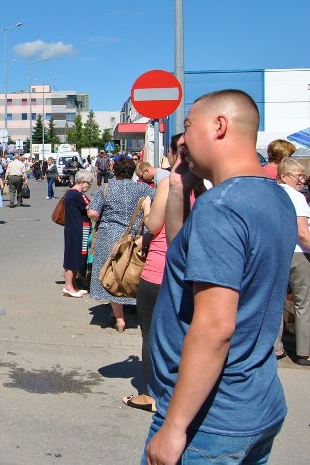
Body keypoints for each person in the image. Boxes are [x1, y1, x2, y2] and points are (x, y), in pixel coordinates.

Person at [144, 90, 295, 464]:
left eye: (189, 128)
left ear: (219, 126)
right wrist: (180, 187)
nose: (182, 143)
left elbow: (215, 326)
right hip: (255, 402)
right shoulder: (274, 197)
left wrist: (175, 426)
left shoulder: (222, 208)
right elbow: (189, 259)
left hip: (209, 420)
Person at [123, 134, 182, 414]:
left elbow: (155, 224)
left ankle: (149, 393)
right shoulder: (210, 185)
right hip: (188, 271)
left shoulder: (170, 183)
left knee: (151, 333)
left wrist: (147, 210)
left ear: (171, 155)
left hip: (159, 268)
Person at [87, 156, 154, 332]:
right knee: (132, 271)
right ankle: (135, 308)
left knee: (112, 273)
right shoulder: (143, 188)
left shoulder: (106, 188)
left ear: (114, 171)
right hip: (135, 237)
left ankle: (119, 317)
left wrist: (104, 218)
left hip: (109, 235)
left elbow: (93, 212)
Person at [273, 157, 310, 365]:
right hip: (299, 253)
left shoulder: (272, 194)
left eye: (304, 176)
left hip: (276, 252)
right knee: (303, 302)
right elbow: (303, 233)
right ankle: (305, 351)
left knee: (276, 301)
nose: (302, 180)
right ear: (285, 175)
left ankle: (275, 348)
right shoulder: (297, 197)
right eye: (299, 176)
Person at [61, 170, 94, 297]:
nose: (89, 186)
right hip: (77, 229)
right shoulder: (77, 194)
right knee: (72, 257)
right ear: (82, 181)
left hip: (76, 228)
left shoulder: (72, 193)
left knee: (76, 256)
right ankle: (68, 286)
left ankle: (73, 285)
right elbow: (90, 208)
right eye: (89, 183)